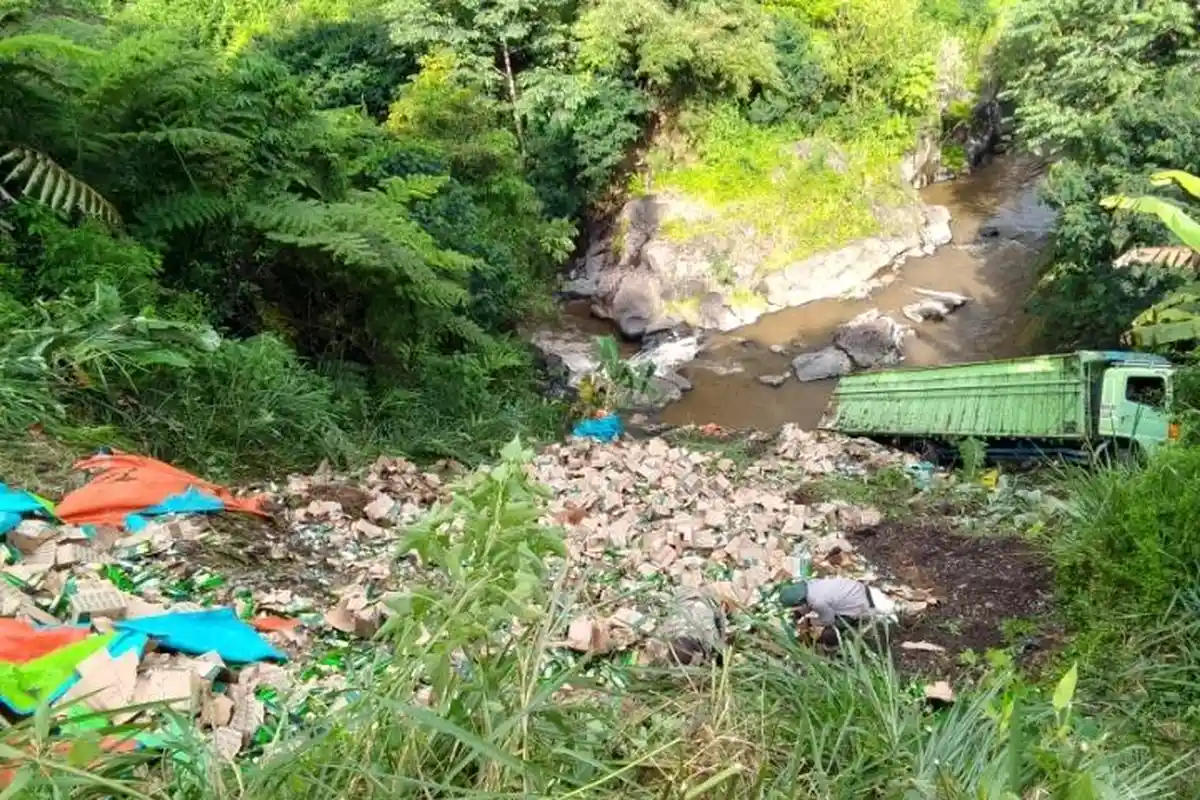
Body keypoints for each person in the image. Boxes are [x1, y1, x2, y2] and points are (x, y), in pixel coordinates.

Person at [779, 577, 895, 645]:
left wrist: (811, 624)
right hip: (859, 590)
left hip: (863, 605)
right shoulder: (812, 584)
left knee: (828, 633)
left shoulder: (817, 601)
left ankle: (837, 645)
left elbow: (828, 620)